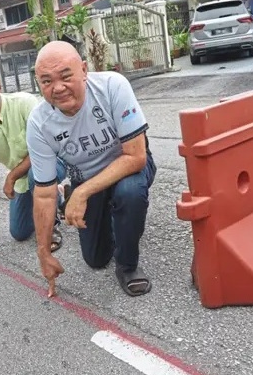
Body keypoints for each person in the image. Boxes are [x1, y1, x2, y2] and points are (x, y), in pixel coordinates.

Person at [26, 41, 157, 298]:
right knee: (96, 259)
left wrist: (81, 194)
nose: (59, 88)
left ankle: (128, 265)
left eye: (66, 76)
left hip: (126, 167)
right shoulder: (39, 123)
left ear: (84, 70)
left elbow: (136, 156)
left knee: (129, 193)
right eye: (47, 81)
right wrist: (43, 252)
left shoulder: (112, 86)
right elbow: (43, 193)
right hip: (86, 177)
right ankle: (110, 214)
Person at [0, 64, 66, 256]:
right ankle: (59, 196)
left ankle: (51, 226)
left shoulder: (25, 103)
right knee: (19, 232)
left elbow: (45, 149)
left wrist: (11, 176)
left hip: (52, 162)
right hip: (22, 179)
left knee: (37, 174)